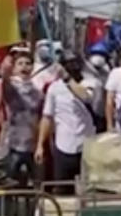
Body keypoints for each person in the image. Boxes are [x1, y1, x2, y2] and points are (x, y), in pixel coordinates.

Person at [36, 53, 96, 187]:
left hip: (86, 146)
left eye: (75, 63)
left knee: (86, 189)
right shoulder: (54, 88)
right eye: (68, 63)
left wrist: (68, 79)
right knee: (62, 188)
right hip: (63, 146)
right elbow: (47, 117)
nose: (72, 66)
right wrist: (40, 145)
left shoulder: (89, 82)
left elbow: (86, 96)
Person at [0, 49, 43, 180]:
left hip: (32, 144)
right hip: (13, 144)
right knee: (10, 181)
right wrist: (5, 74)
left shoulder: (37, 90)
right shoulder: (12, 86)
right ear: (14, 68)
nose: (24, 66)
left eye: (28, 63)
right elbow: (6, 88)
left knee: (36, 182)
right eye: (20, 63)